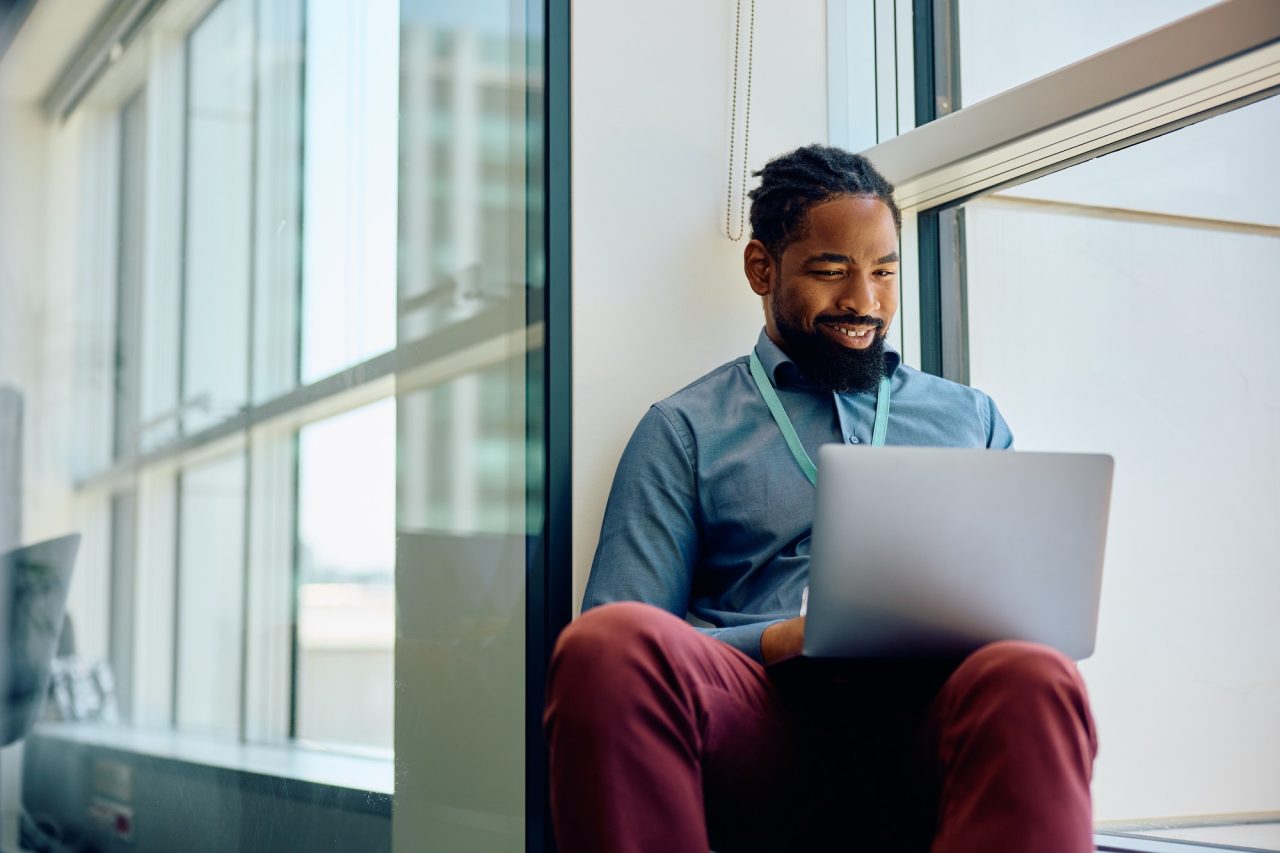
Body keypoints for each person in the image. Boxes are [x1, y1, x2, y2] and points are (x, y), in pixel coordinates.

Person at [543, 145, 1097, 852]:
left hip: (931, 720)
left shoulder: (971, 418)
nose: (864, 302)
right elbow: (625, 622)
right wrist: (777, 640)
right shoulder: (684, 429)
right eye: (832, 271)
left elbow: (1025, 605)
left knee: (1035, 670)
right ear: (761, 270)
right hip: (762, 724)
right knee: (605, 646)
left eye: (884, 272)